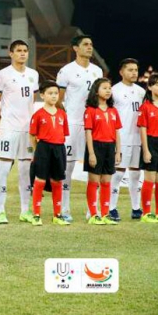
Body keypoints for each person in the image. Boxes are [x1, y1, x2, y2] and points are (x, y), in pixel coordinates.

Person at [0, 40, 40, 224]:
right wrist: (3, 121)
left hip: (27, 130)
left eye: (25, 51)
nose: (22, 53)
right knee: (3, 169)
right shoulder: (3, 75)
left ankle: (25, 211)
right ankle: (0, 211)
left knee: (25, 171)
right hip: (8, 128)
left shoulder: (33, 75)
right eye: (18, 51)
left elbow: (32, 101)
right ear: (10, 53)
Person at [56, 35, 103, 222]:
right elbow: (58, 99)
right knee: (67, 166)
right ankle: (65, 209)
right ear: (75, 48)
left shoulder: (97, 71)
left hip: (93, 125)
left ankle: (93, 210)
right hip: (72, 124)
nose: (89, 47)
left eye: (91, 44)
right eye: (85, 44)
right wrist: (68, 117)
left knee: (94, 166)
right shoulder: (66, 71)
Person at [29, 81, 71, 226]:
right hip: (43, 148)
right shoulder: (38, 114)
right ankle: (36, 215)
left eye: (56, 93)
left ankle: (57, 215)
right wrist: (37, 150)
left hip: (59, 148)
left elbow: (64, 134)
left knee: (57, 181)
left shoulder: (62, 114)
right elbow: (32, 135)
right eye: (50, 93)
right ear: (42, 95)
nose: (54, 96)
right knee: (40, 181)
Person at [109, 58, 145, 221]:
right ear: (121, 72)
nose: (134, 73)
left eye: (136, 70)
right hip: (121, 138)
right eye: (130, 70)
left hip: (137, 137)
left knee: (136, 174)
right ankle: (111, 208)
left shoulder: (141, 92)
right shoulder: (114, 90)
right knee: (117, 174)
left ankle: (136, 208)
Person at [84, 78, 121, 225]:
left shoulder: (113, 111)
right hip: (96, 146)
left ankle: (105, 214)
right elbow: (88, 133)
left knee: (106, 181)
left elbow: (117, 132)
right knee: (94, 181)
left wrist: (118, 151)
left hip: (110, 147)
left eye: (109, 88)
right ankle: (94, 214)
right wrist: (91, 153)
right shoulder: (90, 110)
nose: (108, 91)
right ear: (96, 91)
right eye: (104, 88)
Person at [137, 72, 158, 224]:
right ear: (149, 87)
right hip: (151, 143)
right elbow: (142, 130)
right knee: (150, 179)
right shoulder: (145, 107)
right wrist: (146, 150)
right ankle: (146, 213)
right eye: (157, 84)